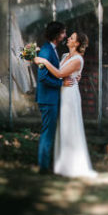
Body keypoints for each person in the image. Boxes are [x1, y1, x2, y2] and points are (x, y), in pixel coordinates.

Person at [35, 32, 97, 178]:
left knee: (69, 127)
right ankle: (62, 164)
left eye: (72, 38)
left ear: (76, 44)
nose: (68, 38)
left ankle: (73, 165)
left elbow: (58, 73)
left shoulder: (77, 59)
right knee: (61, 127)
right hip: (61, 93)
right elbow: (58, 74)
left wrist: (43, 61)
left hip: (69, 96)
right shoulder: (64, 56)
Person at [35, 21, 66, 174]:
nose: (65, 36)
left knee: (49, 131)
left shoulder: (52, 49)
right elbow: (42, 77)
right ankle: (43, 167)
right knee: (47, 132)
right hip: (48, 100)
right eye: (63, 33)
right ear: (57, 35)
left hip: (50, 99)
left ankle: (46, 164)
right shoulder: (46, 51)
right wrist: (60, 83)